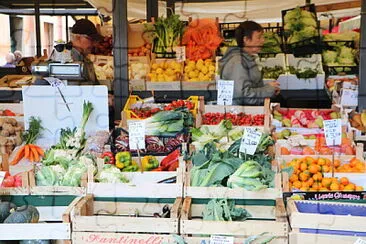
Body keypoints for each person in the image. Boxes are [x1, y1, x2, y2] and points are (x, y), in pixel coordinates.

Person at [219, 21, 280, 105]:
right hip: (239, 114)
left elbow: (247, 88)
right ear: (246, 40)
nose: (263, 40)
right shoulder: (237, 62)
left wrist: (269, 88)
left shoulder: (245, 58)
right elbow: (244, 96)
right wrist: (268, 90)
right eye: (259, 37)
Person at [70, 18, 103, 85]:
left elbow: (94, 85)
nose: (93, 44)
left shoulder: (86, 59)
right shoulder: (67, 60)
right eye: (91, 39)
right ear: (78, 37)